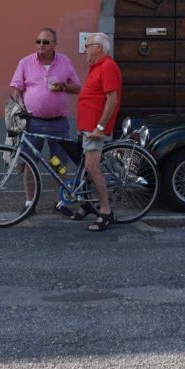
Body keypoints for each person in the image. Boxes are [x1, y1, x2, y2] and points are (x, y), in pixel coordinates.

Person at [9, 27, 81, 212]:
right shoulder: (25, 62)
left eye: (45, 42)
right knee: (29, 163)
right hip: (33, 122)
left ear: (54, 44)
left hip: (58, 122)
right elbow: (16, 88)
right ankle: (29, 203)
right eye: (38, 41)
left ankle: (60, 201)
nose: (41, 44)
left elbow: (77, 87)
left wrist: (63, 86)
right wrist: (20, 106)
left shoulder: (64, 62)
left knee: (59, 163)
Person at [77, 32, 122, 232]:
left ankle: (105, 211)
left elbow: (112, 100)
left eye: (87, 46)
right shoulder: (96, 67)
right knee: (85, 167)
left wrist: (100, 127)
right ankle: (87, 204)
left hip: (95, 128)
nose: (85, 50)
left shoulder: (108, 67)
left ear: (99, 48)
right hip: (87, 126)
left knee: (92, 166)